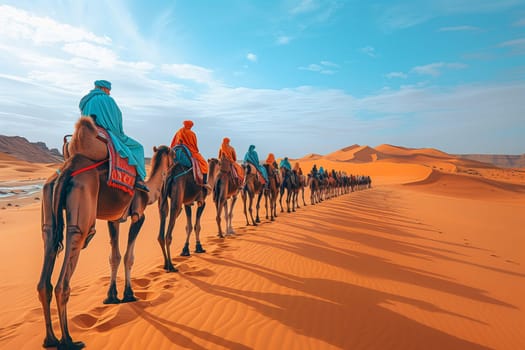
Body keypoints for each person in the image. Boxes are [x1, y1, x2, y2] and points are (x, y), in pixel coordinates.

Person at [79, 80, 149, 192]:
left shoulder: (86, 100)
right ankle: (138, 179)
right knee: (138, 147)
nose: (109, 93)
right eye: (108, 90)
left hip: (86, 132)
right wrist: (119, 132)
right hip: (103, 130)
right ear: (103, 88)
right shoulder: (108, 100)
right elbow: (116, 120)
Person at [170, 120, 210, 191]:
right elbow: (194, 146)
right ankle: (204, 182)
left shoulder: (179, 131)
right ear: (191, 125)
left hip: (176, 149)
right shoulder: (192, 133)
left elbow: (173, 142)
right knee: (204, 163)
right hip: (190, 150)